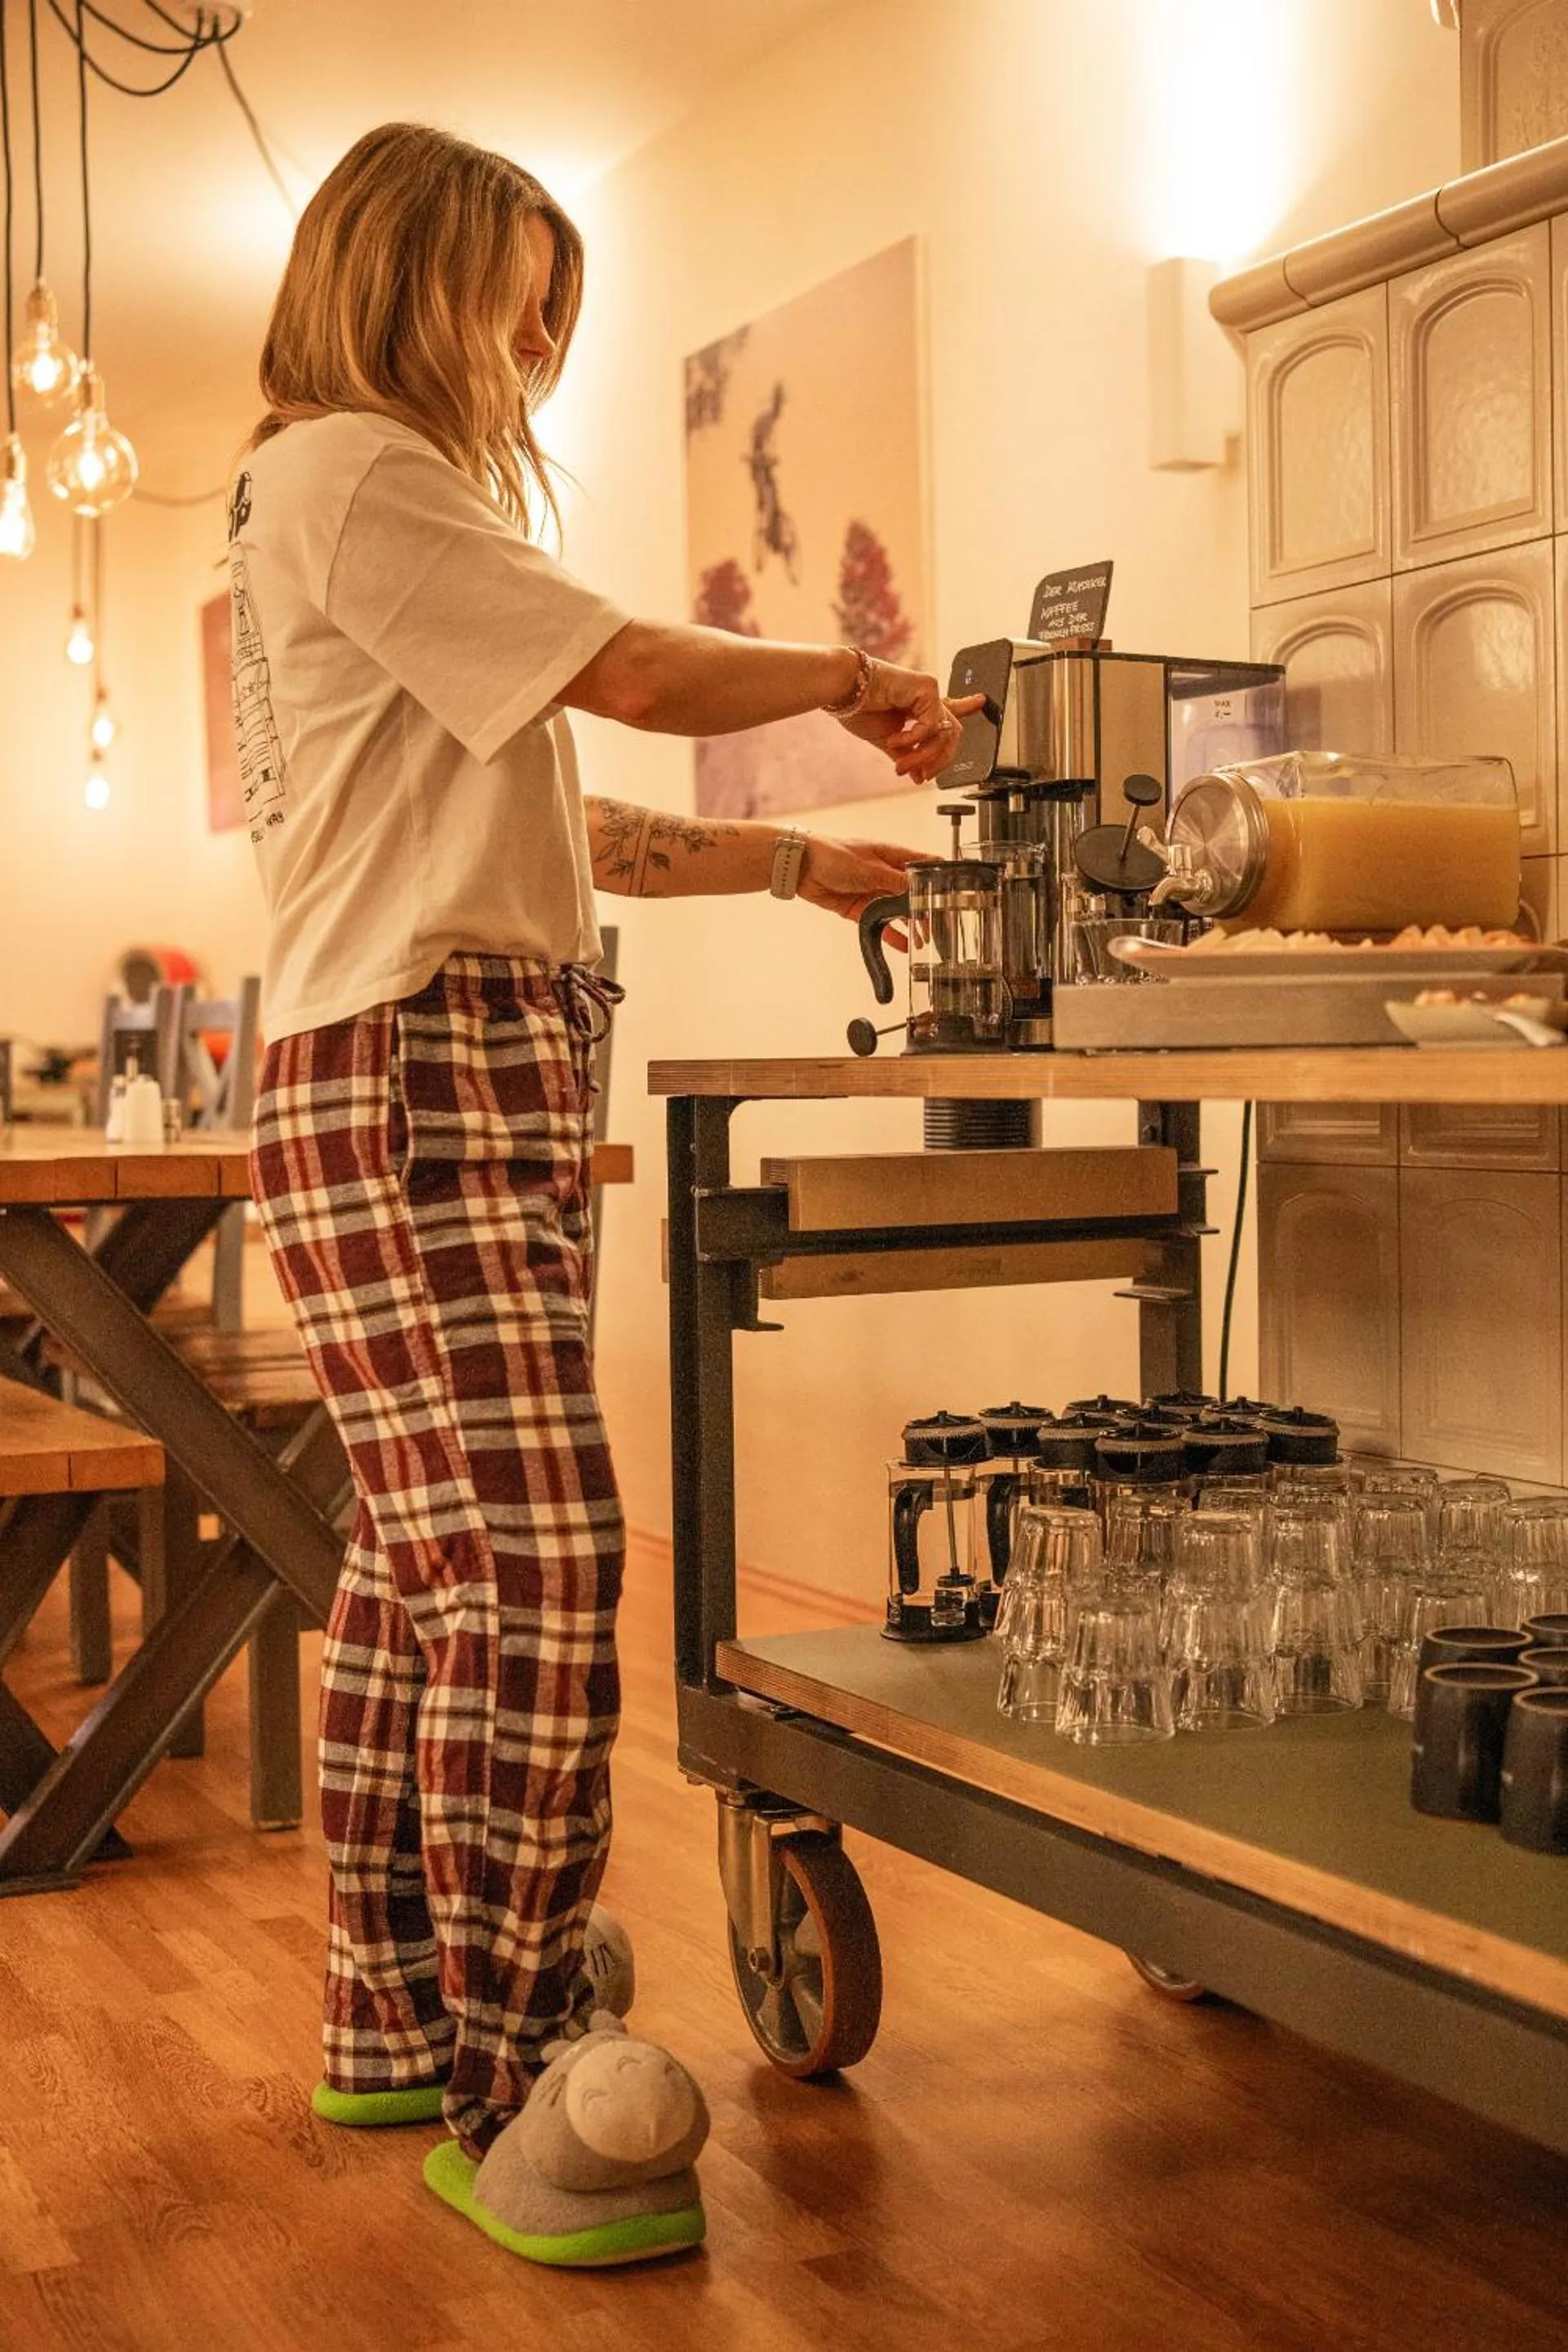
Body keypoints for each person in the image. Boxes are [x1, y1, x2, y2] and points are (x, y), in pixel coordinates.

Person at [239, 119, 975, 2271]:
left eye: (568, 304)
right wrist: (851, 678)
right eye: (518, 291)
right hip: (422, 1074)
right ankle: (517, 2074)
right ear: (404, 273)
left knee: (426, 1565)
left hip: (428, 1062)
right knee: (549, 1561)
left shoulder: (368, 508)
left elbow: (564, 810)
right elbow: (639, 677)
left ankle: (395, 2016)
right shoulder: (359, 468)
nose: (546, 337)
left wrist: (781, 857)